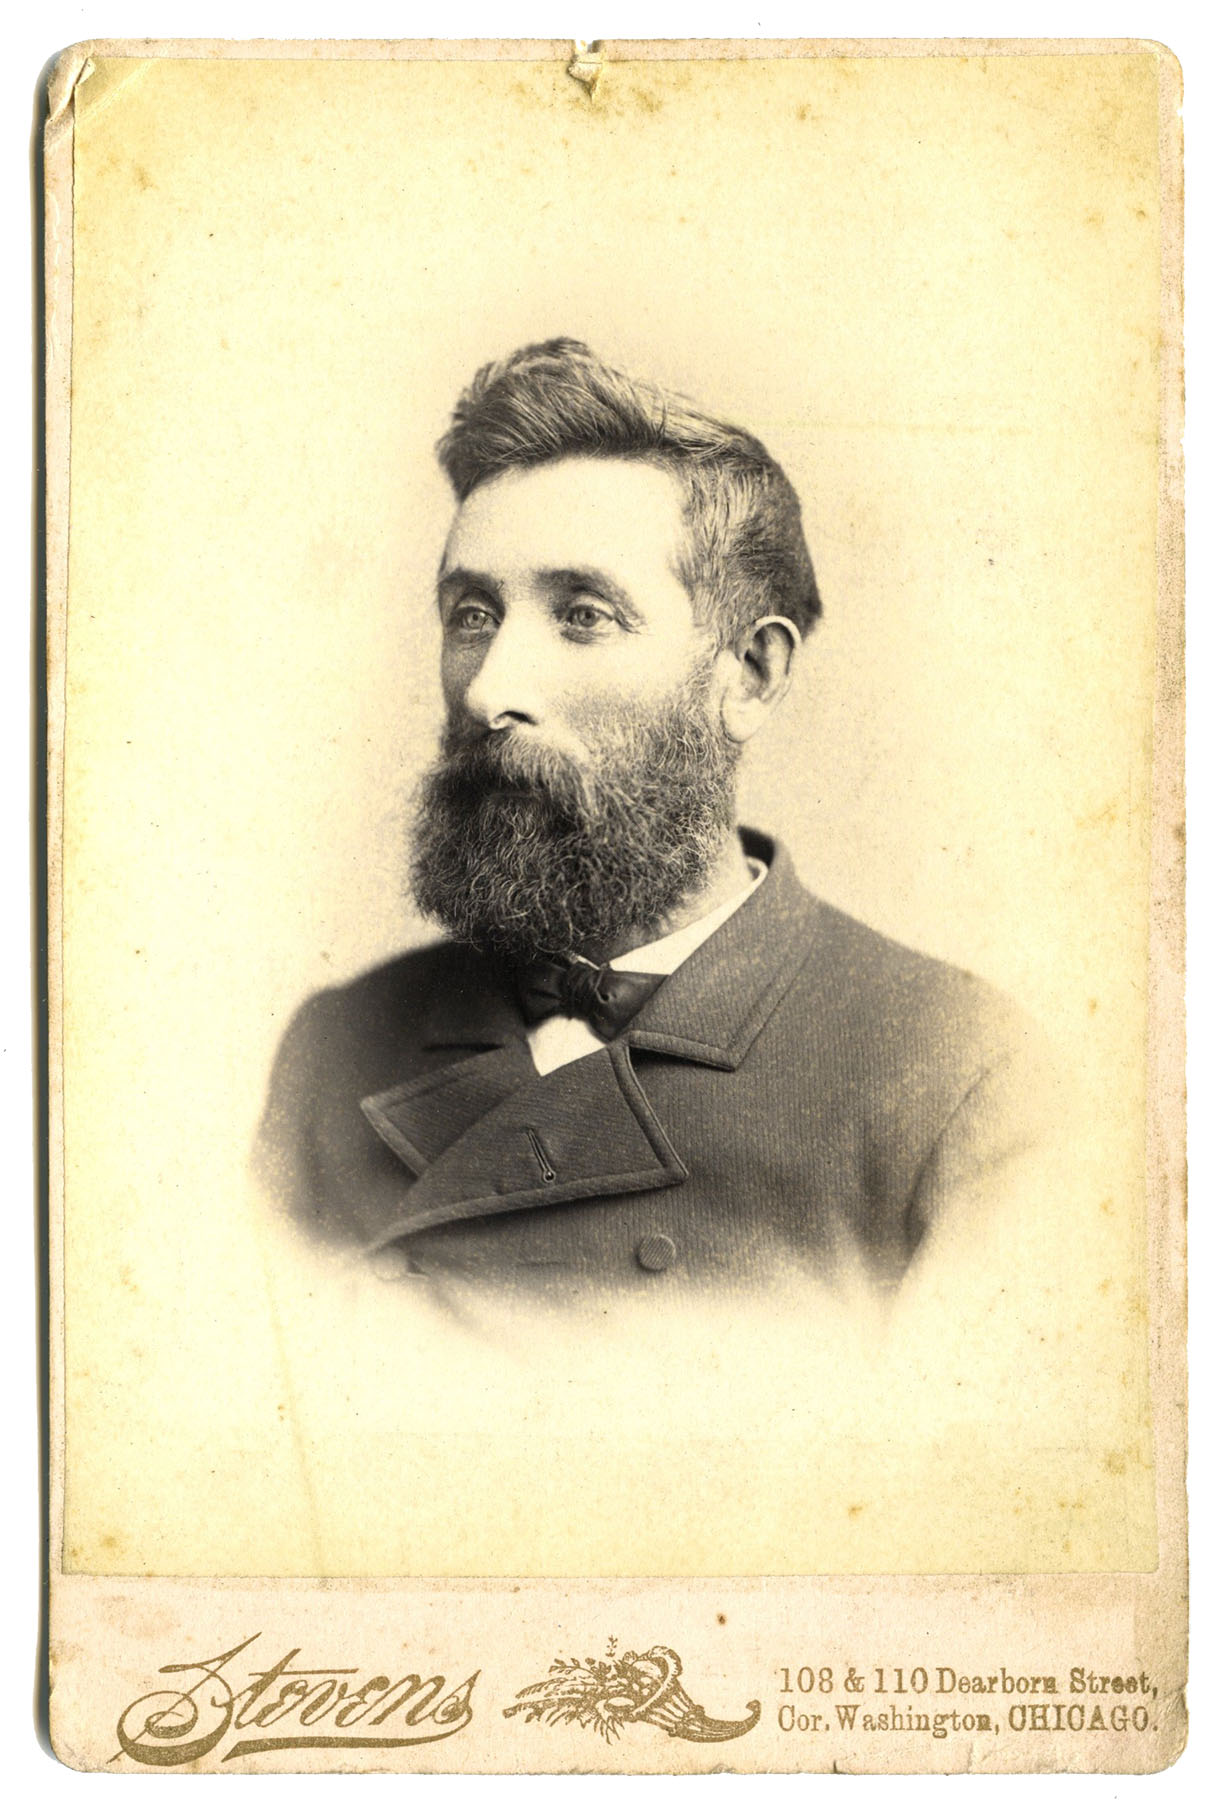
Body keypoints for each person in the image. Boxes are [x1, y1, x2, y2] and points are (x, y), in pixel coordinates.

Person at [255, 339, 1051, 1311]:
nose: (490, 692)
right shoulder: (335, 1045)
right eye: (472, 614)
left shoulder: (960, 1076)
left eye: (583, 615)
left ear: (749, 675)